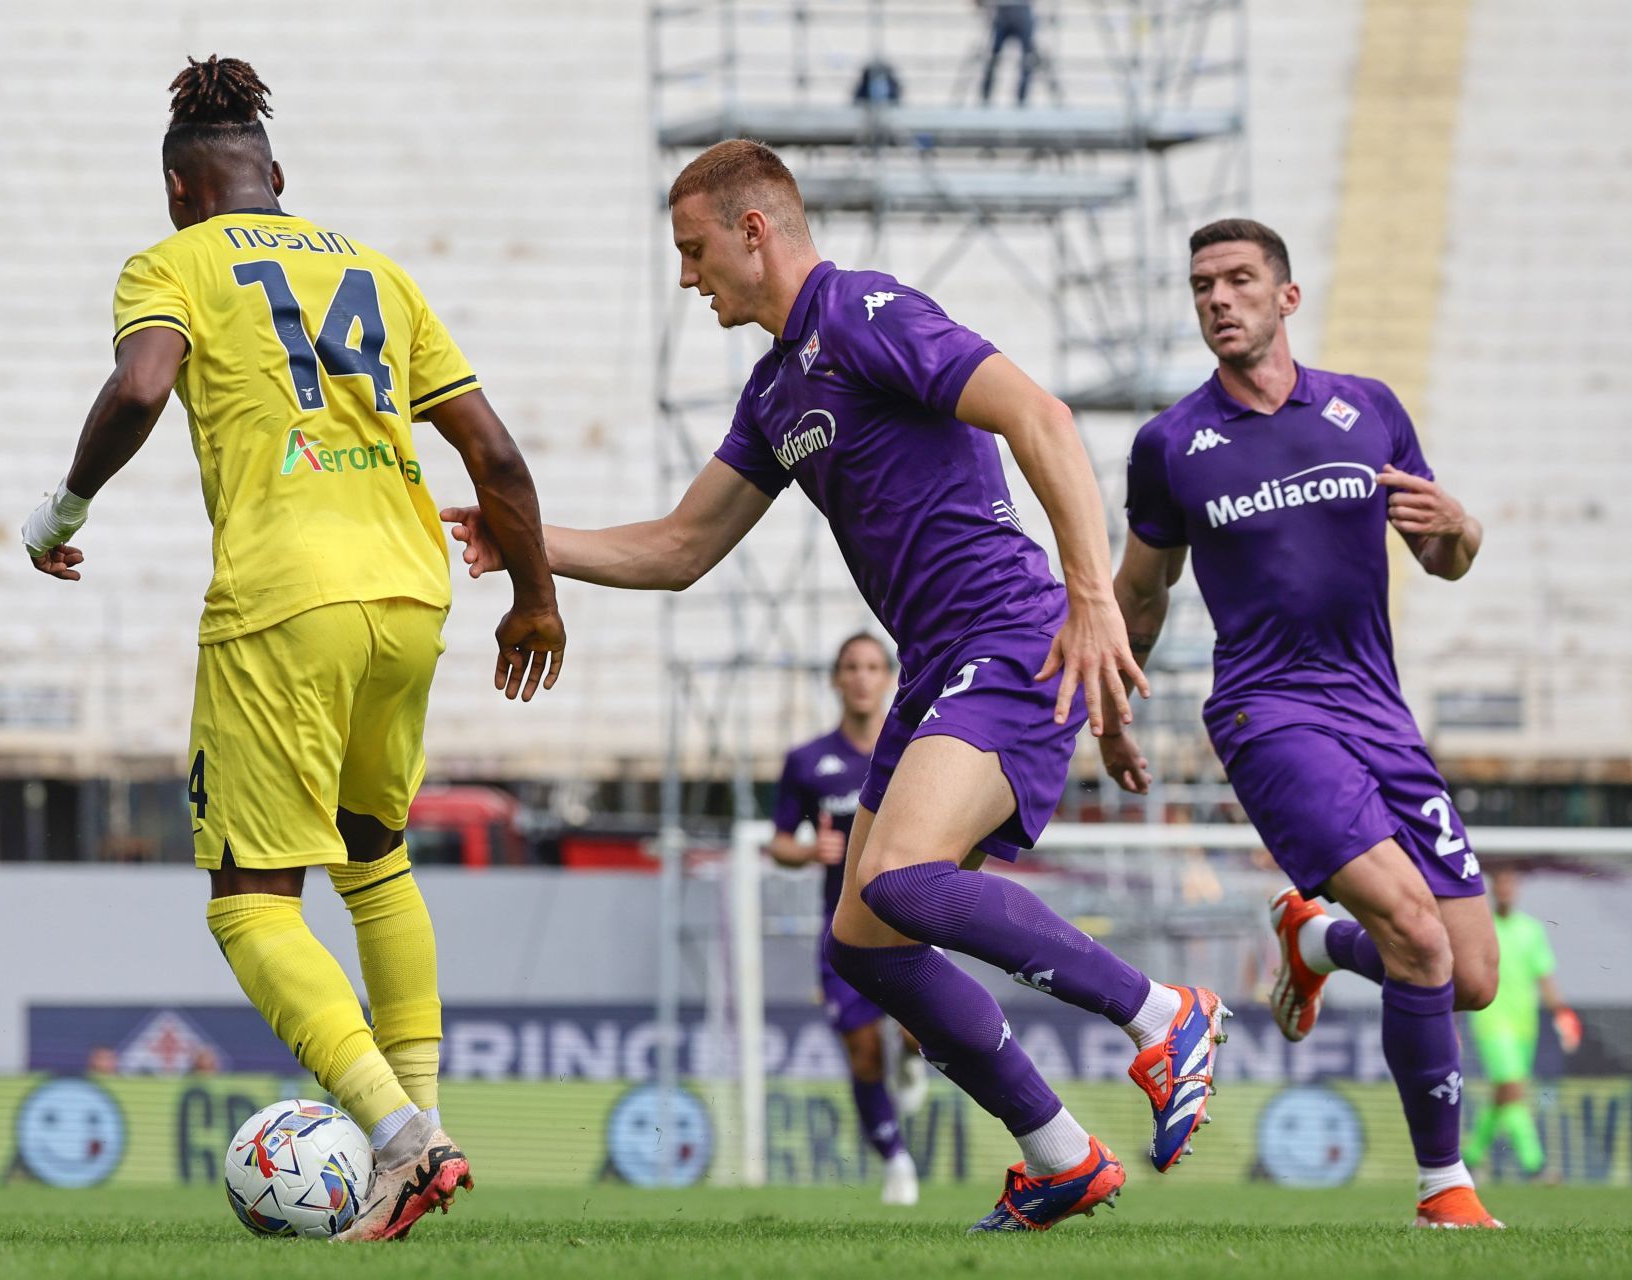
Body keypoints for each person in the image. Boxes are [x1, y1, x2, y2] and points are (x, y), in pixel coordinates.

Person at [445, 139, 1229, 1233]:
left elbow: (1041, 417)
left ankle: (1161, 1011)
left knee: (900, 880)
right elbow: (679, 546)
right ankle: (1060, 1152)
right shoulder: (776, 390)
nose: (687, 278)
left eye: (694, 250)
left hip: (1009, 636)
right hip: (933, 662)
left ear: (753, 231)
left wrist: (1091, 594)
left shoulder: (865, 311)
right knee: (863, 942)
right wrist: (524, 541)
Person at [20, 56, 566, 1242]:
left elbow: (140, 384)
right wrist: (534, 597)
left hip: (285, 602)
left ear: (180, 190)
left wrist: (59, 513)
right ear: (279, 178)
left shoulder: (172, 263)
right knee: (376, 858)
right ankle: (419, 1136)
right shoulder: (377, 269)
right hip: (413, 595)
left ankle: (402, 1136)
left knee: (251, 905)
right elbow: (499, 455)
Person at [1102, 218, 1500, 1227]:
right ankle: (1442, 1191)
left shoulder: (1369, 411)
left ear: (1286, 297)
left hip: (1380, 711)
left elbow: (1442, 555)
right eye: (1201, 286)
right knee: (1414, 932)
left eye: (1238, 280)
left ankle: (1315, 938)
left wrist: (1464, 530)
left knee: (1472, 974)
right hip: (1268, 712)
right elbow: (1141, 593)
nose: (1218, 299)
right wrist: (1111, 706)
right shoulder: (1171, 444)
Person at [768, 632, 928, 1206]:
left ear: (889, 677)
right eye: (850, 667)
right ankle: (897, 1163)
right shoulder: (809, 761)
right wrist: (810, 852)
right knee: (862, 1051)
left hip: (911, 924)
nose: (861, 677)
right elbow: (778, 844)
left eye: (871, 666)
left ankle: (912, 1062)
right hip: (844, 930)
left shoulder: (917, 750)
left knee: (919, 1035)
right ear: (836, 679)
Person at [1461, 867, 1581, 1177]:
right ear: (1492, 889)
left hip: (1524, 1027)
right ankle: (1535, 1165)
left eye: (1509, 885)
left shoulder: (1531, 930)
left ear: (1515, 890)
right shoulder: (1482, 928)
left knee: (1504, 1094)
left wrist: (1562, 1013)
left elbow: (1544, 976)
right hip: (1491, 1023)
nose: (1504, 891)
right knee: (1512, 1090)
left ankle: (1470, 1159)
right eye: (1499, 885)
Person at [978, 2, 1038, 107]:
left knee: (1026, 59)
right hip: (1003, 15)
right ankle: (985, 97)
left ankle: (1021, 98)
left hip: (1021, 15)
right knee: (993, 58)